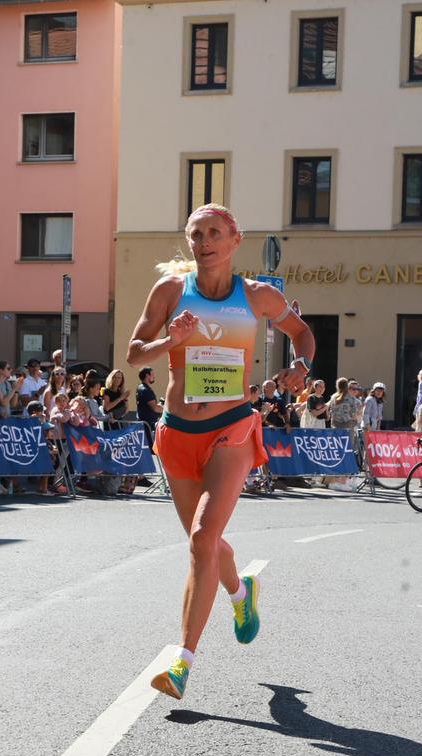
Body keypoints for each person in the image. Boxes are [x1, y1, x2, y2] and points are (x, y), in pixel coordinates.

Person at [126, 202, 314, 700]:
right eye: (195, 234)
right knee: (203, 541)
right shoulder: (170, 291)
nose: (204, 242)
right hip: (176, 433)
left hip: (232, 428)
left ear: (235, 241)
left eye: (214, 233)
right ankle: (240, 592)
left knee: (202, 540)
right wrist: (172, 339)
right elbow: (132, 354)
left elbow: (303, 335)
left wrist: (301, 369)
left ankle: (181, 662)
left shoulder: (259, 296)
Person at [135, 366, 163, 438]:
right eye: (153, 374)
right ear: (147, 375)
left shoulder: (140, 387)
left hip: (144, 425)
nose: (154, 377)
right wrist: (166, 409)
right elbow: (155, 408)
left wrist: (160, 405)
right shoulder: (146, 390)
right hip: (148, 426)